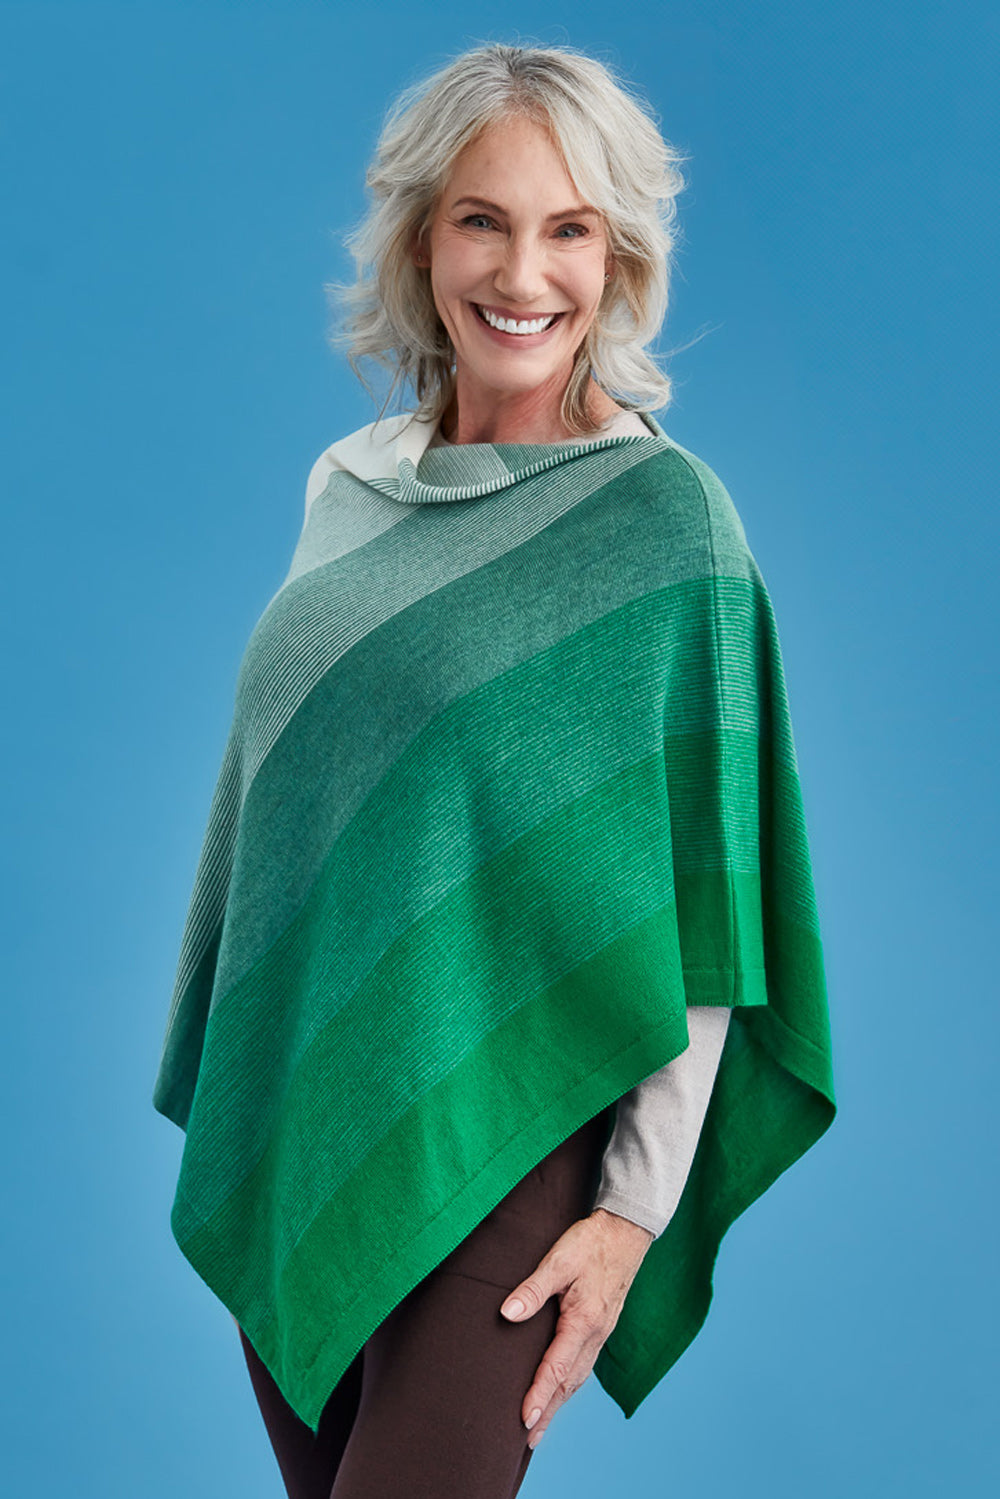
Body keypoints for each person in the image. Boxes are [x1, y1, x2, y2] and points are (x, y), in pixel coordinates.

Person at [152, 41, 836, 1499]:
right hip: (310, 1118)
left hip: (511, 1136)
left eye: (571, 228)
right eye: (484, 218)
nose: (525, 270)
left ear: (620, 257)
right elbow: (306, 819)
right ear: (420, 237)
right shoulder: (349, 488)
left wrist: (634, 1214)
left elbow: (706, 902)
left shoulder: (667, 527)